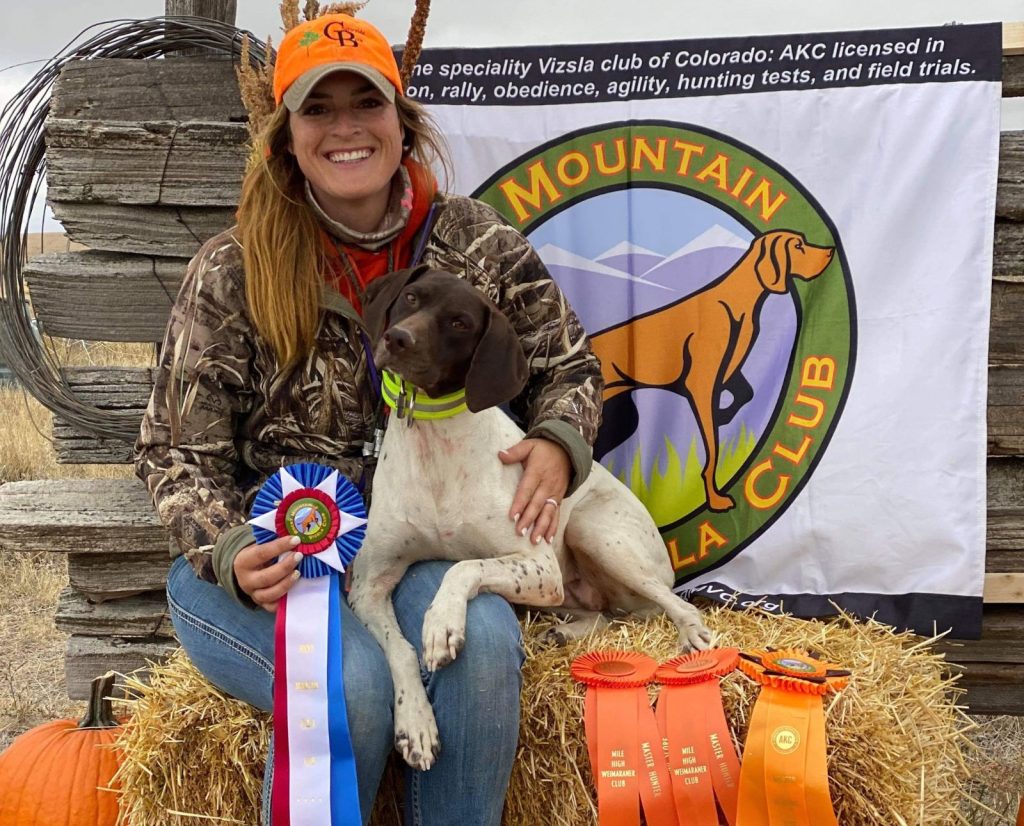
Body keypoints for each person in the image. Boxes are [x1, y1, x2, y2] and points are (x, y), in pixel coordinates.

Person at [135, 10, 603, 826]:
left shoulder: (475, 242)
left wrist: (559, 444)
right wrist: (233, 550)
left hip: (410, 552)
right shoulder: (235, 267)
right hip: (269, 571)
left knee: (485, 649)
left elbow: (568, 367)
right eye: (319, 109)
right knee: (352, 686)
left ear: (403, 121)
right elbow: (173, 453)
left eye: (368, 104)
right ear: (287, 137)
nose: (346, 128)